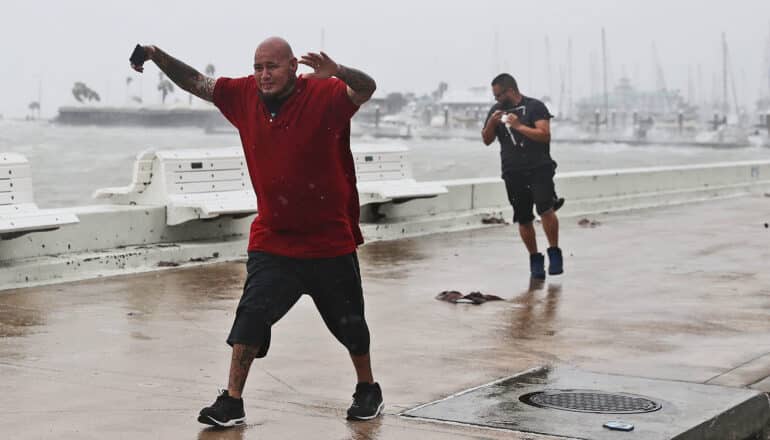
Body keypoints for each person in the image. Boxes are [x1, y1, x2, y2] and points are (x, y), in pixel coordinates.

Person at [130, 37, 383, 427]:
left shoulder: (325, 93)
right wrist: (155, 55)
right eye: (258, 67)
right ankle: (232, 401)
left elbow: (366, 88)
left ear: (293, 67)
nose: (264, 75)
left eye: (273, 67)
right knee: (250, 315)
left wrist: (341, 71)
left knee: (351, 323)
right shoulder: (242, 95)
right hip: (275, 239)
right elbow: (198, 83)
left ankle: (367, 387)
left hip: (328, 238)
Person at [481, 73, 564, 279]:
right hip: (512, 171)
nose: (496, 100)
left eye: (498, 95)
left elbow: (544, 135)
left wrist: (518, 126)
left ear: (510, 91)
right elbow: (486, 139)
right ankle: (535, 259)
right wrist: (492, 123)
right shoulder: (495, 111)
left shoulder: (535, 106)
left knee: (545, 208)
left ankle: (554, 252)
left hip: (539, 167)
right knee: (523, 218)